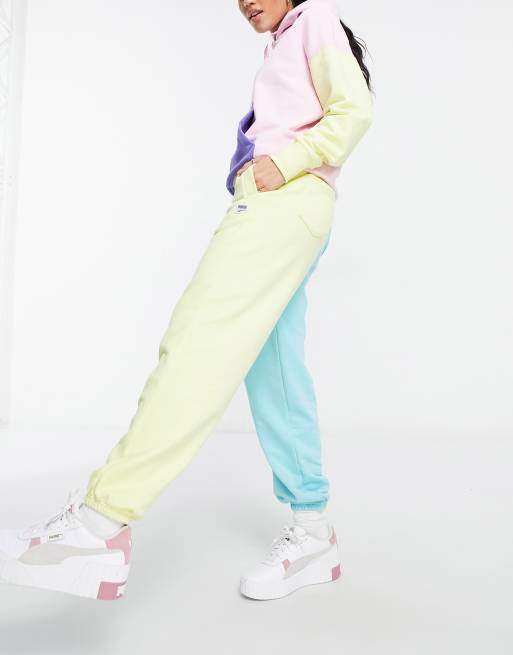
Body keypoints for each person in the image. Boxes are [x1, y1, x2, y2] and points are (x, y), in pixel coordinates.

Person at [0, 0, 373, 602]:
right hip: (297, 208)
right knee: (274, 371)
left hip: (284, 202)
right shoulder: (286, 39)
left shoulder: (314, 19)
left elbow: (355, 109)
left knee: (199, 344)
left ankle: (99, 525)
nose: (244, 1)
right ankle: (313, 531)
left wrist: (283, 163)